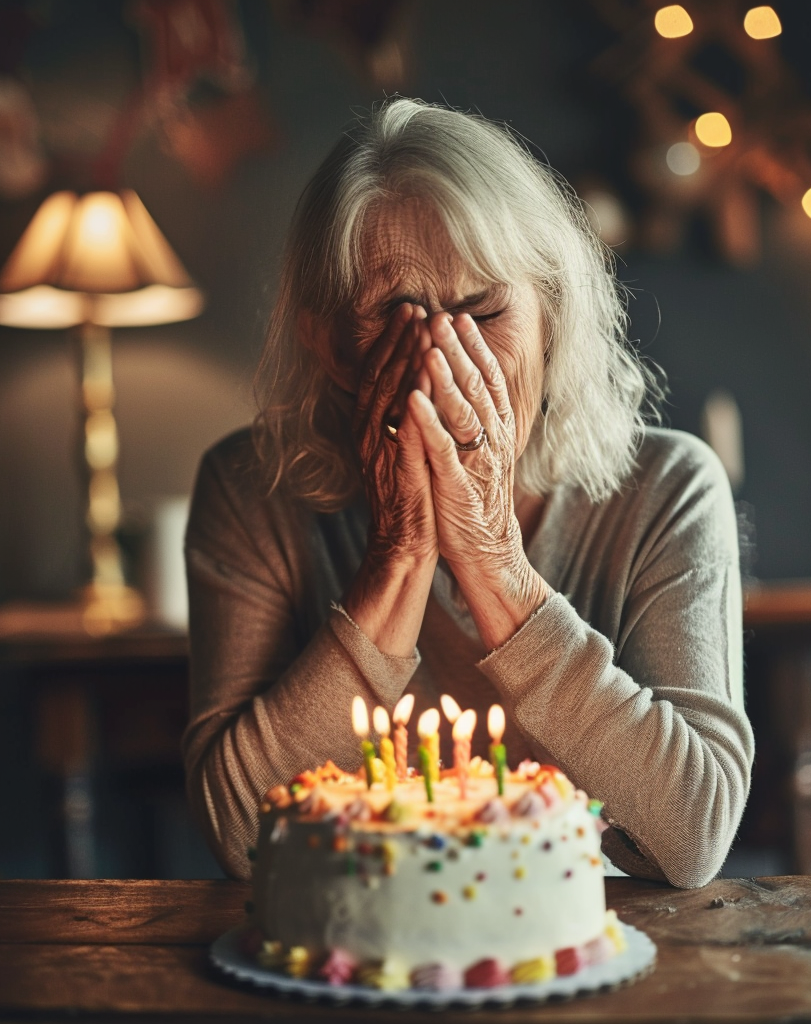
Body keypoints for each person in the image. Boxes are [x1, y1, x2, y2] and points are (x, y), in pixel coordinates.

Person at [183, 97, 754, 888]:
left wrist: (492, 562)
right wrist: (401, 554)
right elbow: (241, 837)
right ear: (329, 342)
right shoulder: (251, 488)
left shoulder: (668, 489)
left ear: (550, 313)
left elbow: (693, 837)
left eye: (484, 309)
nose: (445, 355)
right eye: (395, 313)